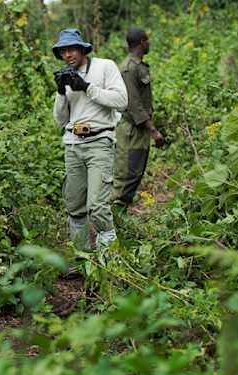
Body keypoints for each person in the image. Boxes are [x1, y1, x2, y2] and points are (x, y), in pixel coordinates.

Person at [52, 28, 128, 249]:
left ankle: (108, 260)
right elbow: (60, 120)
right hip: (73, 145)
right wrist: (60, 92)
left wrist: (87, 87)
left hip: (99, 142)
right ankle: (82, 257)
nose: (68, 55)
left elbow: (122, 100)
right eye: (63, 51)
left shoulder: (105, 66)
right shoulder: (66, 75)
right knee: (75, 206)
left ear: (82, 49)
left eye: (72, 49)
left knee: (97, 205)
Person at [113, 28, 164, 208]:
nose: (149, 43)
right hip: (131, 131)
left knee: (136, 173)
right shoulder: (129, 69)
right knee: (126, 175)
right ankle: (107, 221)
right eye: (147, 40)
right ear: (142, 42)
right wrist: (154, 131)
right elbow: (134, 104)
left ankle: (120, 217)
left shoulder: (139, 66)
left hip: (140, 130)